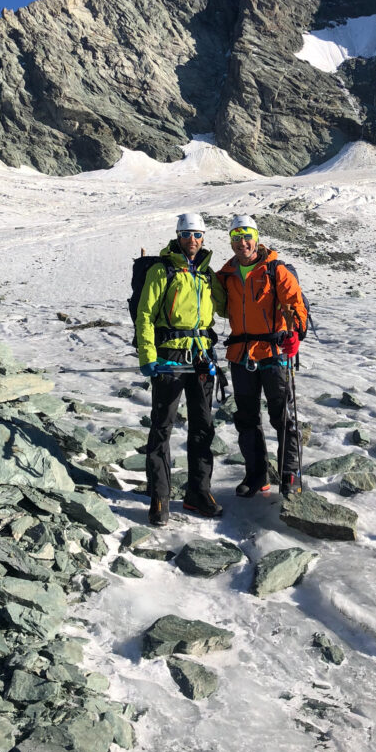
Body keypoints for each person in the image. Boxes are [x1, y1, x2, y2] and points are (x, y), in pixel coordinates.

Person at [135, 212, 226, 526]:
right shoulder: (162, 270)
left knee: (203, 425)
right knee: (162, 427)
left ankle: (198, 492)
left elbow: (225, 307)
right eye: (187, 234)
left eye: (198, 235)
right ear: (178, 235)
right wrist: (147, 356)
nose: (193, 240)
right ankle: (160, 497)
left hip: (201, 356)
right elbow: (145, 315)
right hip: (170, 355)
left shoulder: (207, 274)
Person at [217, 215, 308, 499]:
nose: (242, 242)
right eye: (236, 237)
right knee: (246, 417)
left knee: (283, 416)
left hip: (274, 352)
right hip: (241, 354)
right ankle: (256, 475)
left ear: (256, 238)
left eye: (246, 236)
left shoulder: (275, 270)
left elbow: (296, 305)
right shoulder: (227, 274)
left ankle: (289, 474)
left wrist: (296, 333)